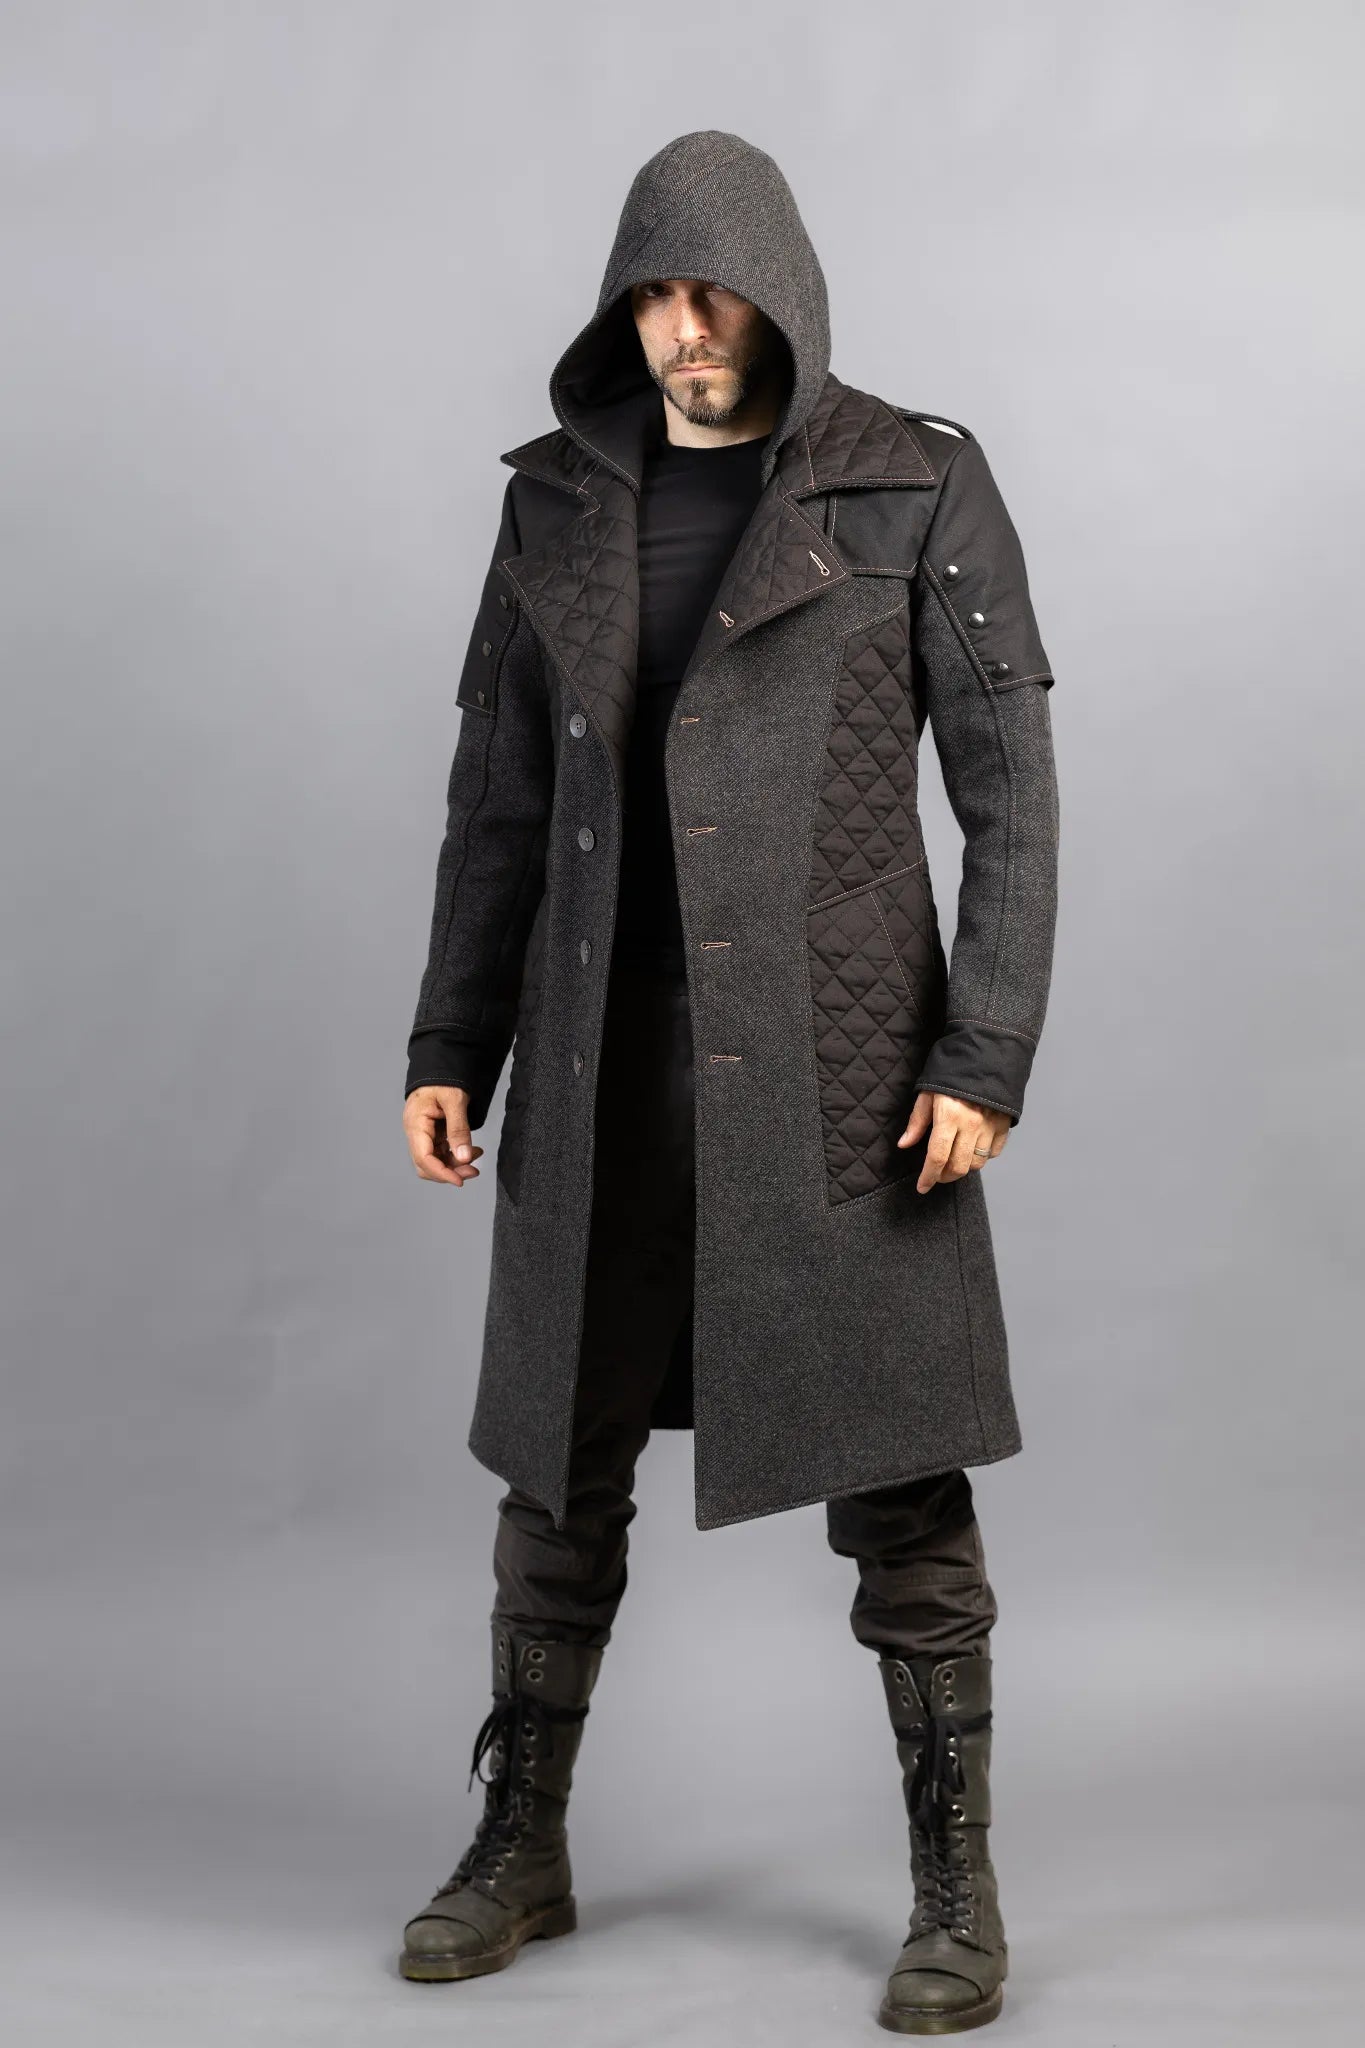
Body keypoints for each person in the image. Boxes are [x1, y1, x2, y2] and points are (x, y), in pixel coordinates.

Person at [397, 129, 1060, 2035]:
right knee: (557, 1470)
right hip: (596, 1055)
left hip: (846, 1074)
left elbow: (1008, 797)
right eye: (654, 298)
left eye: (715, 295)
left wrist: (982, 1050)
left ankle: (955, 1889)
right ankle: (519, 1848)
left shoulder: (912, 480)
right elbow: (496, 799)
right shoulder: (551, 502)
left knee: (900, 1482)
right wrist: (450, 1044)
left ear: (782, 293)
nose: (685, 331)